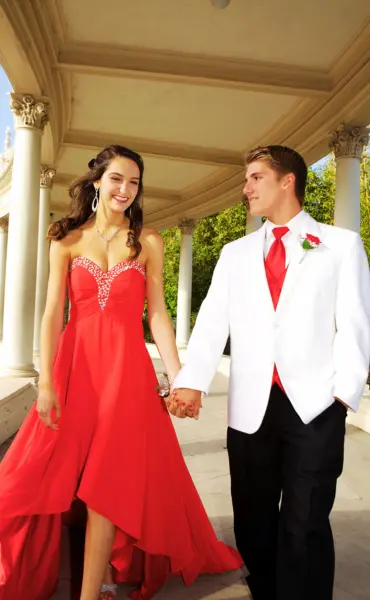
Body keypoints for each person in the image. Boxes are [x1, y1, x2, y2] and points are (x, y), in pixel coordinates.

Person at [0, 145, 242, 600]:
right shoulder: (65, 238)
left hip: (127, 376)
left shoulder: (148, 241)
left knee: (107, 483)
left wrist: (180, 378)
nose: (125, 190)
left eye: (133, 182)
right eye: (116, 179)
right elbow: (53, 312)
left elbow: (158, 316)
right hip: (76, 370)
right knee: (25, 477)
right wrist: (47, 382)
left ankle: (91, 592)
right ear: (97, 181)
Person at [168, 145, 370, 600]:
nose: (246, 188)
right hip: (250, 410)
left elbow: (355, 323)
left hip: (315, 406)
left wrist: (343, 393)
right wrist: (191, 382)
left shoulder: (340, 245)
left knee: (306, 525)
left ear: (287, 181)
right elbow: (212, 321)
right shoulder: (234, 254)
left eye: (256, 177)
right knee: (253, 525)